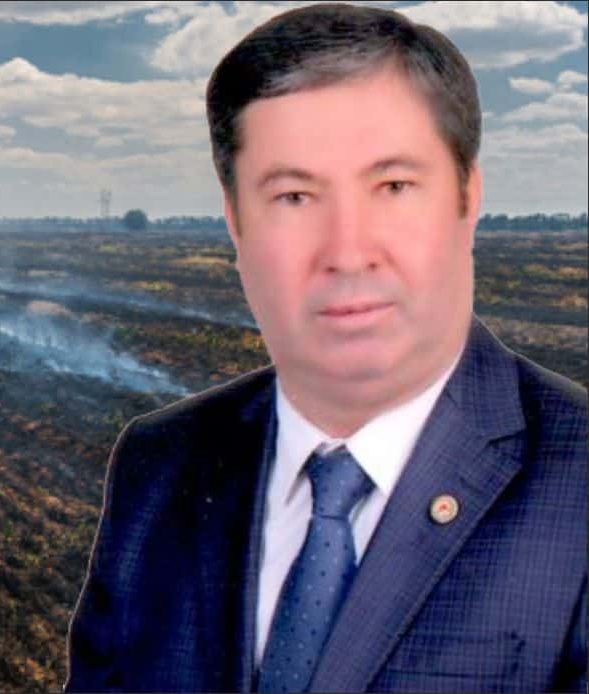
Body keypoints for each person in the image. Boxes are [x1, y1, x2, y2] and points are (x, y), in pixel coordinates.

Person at [64, 4, 586, 692]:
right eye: (294, 196)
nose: (346, 252)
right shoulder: (158, 464)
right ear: (235, 223)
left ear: (469, 197)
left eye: (393, 186)